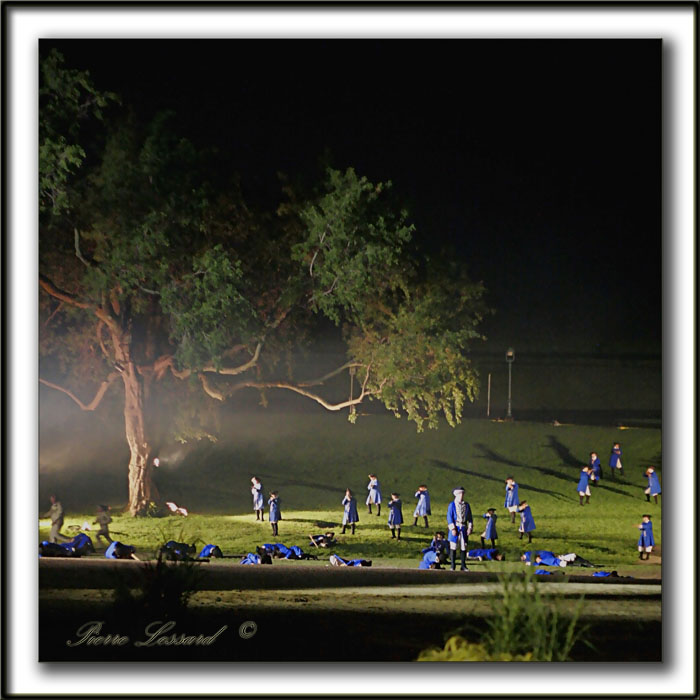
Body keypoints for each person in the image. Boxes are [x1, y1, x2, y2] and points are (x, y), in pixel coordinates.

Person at [446, 486, 473, 571]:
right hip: (455, 527)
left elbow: (470, 517)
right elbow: (449, 517)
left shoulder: (466, 505)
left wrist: (470, 527)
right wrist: (453, 528)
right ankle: (452, 565)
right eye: (460, 494)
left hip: (463, 527)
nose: (461, 495)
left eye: (462, 494)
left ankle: (463, 565)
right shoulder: (452, 505)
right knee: (453, 546)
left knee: (463, 546)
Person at [521, 550, 598, 568]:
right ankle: (585, 564)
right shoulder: (541, 560)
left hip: (559, 559)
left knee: (573, 556)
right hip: (559, 562)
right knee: (570, 561)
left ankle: (588, 564)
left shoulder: (542, 555)